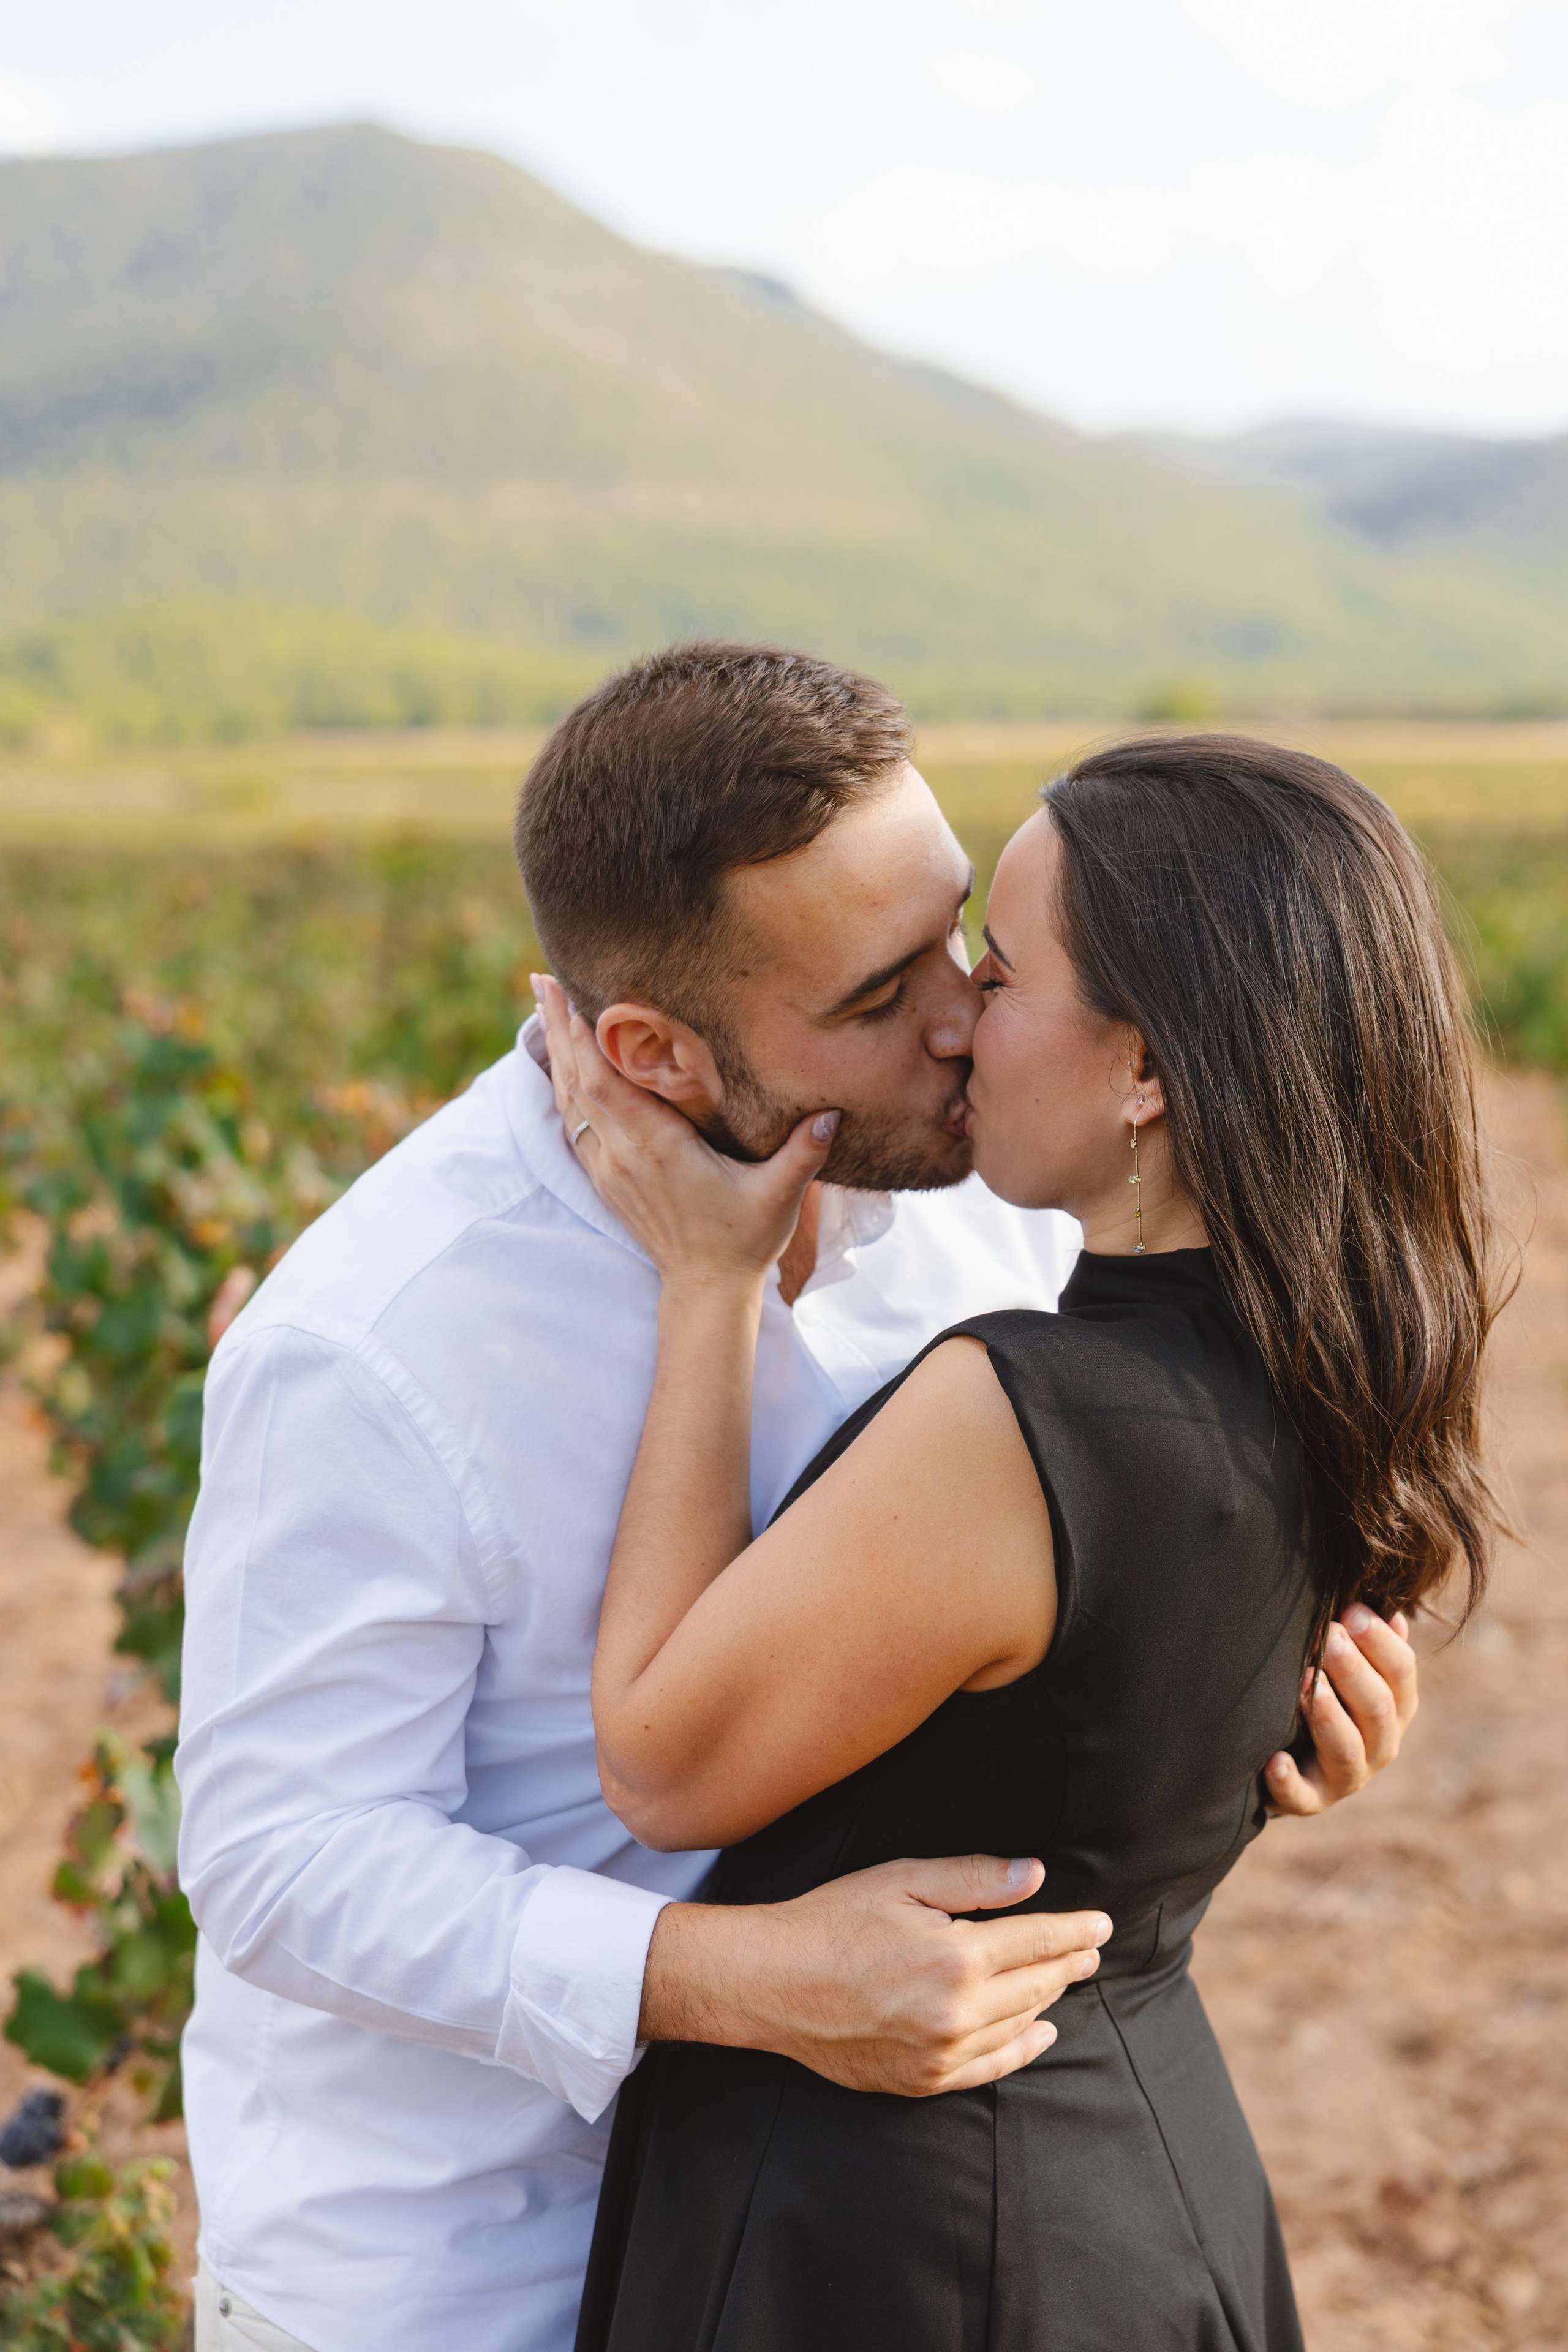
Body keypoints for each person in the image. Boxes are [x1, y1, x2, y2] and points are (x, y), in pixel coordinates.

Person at [176, 651, 1417, 2352]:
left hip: (835, 2246)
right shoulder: (381, 1342)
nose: (966, 1020)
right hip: (466, 2277)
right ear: (650, 1051)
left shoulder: (1003, 1213)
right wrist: (737, 1983)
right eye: (879, 994)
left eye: (965, 938)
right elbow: (276, 1856)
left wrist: (1239, 1719)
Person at [538, 726, 1504, 2352]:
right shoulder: (1318, 1364)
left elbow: (660, 1760)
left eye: (1006, 967)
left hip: (903, 2238)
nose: (960, 1014)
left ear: (1146, 1071)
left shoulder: (1027, 1420)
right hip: (1138, 2170)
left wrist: (706, 1283)